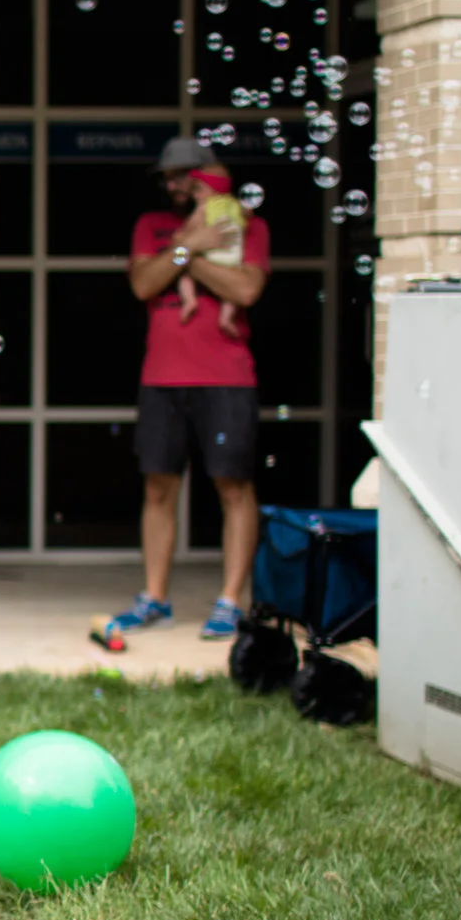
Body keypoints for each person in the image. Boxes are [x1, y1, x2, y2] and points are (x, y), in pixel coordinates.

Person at [103, 138, 272, 642]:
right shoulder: (148, 226)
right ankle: (154, 597)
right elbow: (141, 285)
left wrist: (185, 255)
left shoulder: (247, 224)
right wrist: (187, 248)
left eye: (182, 176)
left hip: (227, 377)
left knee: (233, 486)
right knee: (158, 488)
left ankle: (229, 602)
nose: (174, 185)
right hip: (162, 377)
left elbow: (245, 290)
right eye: (168, 178)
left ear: (205, 176)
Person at [171, 167, 249, 338]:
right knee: (229, 293)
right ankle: (226, 317)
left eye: (198, 189)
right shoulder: (234, 204)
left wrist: (182, 236)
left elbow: (189, 233)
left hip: (212, 254)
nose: (195, 195)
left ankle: (190, 301)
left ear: (213, 189)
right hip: (232, 257)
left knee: (185, 276)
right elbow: (245, 221)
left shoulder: (204, 207)